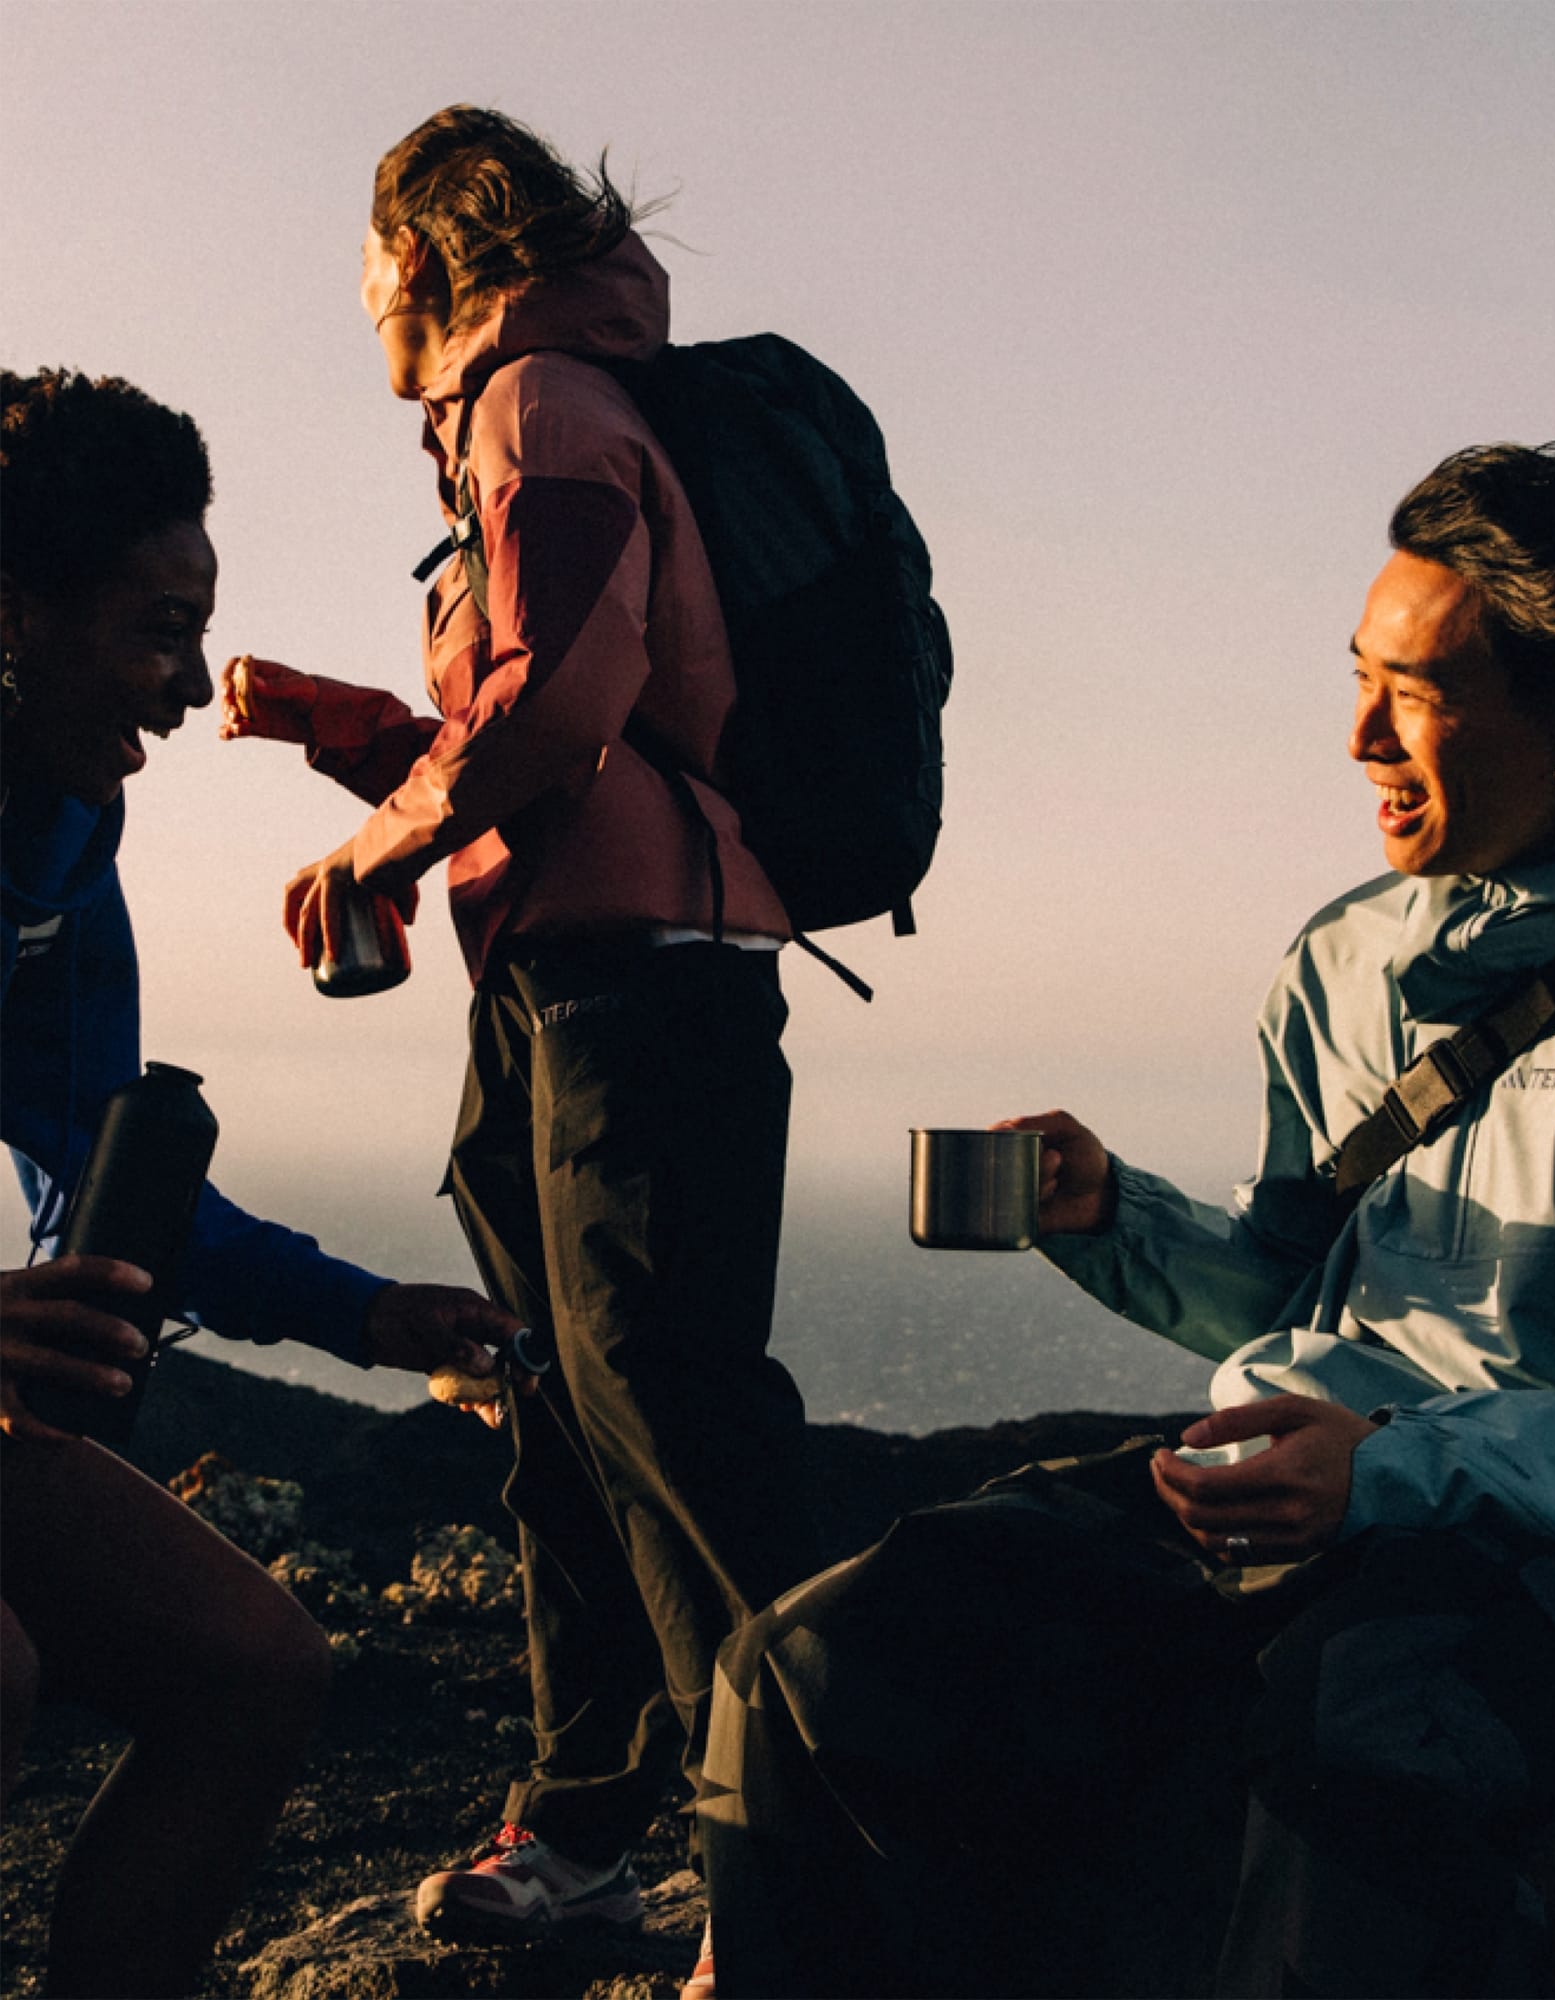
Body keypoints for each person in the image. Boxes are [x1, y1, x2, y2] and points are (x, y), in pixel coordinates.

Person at [693, 442, 1555, 1999]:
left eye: (1417, 692)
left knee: (1344, 1774)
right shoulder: (1346, 962)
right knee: (813, 1663)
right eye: (1359, 678)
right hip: (1299, 1509)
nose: (1357, 737)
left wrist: (1386, 1470)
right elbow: (1292, 1286)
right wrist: (1112, 1218)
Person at [220, 107, 822, 1964]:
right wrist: (355, 737)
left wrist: (380, 846)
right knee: (557, 1394)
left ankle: (795, 1855)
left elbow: (565, 701)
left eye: (364, 261)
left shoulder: (541, 404)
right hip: (566, 976)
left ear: (415, 254)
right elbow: (547, 734)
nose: (357, 298)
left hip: (652, 979)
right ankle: (584, 1824)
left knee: (661, 1407)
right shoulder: (535, 412)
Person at [0, 367, 522, 1999]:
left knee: (255, 1666)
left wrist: (367, 1315)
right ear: (13, 615)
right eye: (159, 633)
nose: (185, 693)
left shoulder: (57, 844)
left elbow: (103, 1160)